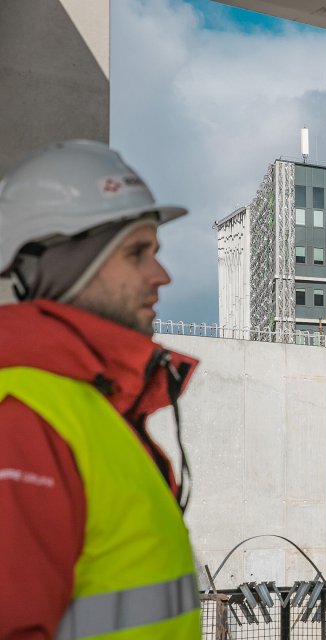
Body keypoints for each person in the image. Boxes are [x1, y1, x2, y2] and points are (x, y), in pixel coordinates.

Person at [0, 141, 201, 638]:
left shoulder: (94, 407)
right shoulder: (23, 419)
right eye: (137, 253)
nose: (162, 276)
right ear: (67, 266)